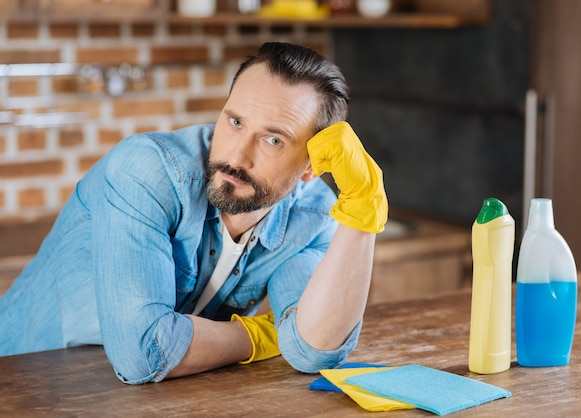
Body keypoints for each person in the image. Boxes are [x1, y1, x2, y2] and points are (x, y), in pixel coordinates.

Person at [0, 42, 387, 384]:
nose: (236, 156)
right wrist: (257, 335)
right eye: (234, 122)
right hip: (24, 381)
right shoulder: (145, 169)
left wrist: (362, 206)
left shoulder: (312, 214)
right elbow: (142, 355)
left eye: (272, 139)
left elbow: (312, 350)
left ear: (310, 166)